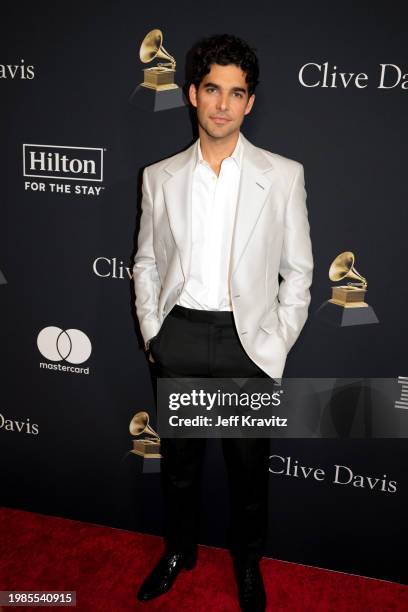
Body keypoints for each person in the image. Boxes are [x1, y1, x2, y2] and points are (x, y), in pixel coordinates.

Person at [133, 33, 313, 611]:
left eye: (236, 93)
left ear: (250, 103)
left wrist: (276, 344)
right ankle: (179, 552)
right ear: (192, 93)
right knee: (179, 471)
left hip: (247, 348)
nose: (222, 104)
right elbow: (145, 262)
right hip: (180, 337)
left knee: (248, 475)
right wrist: (152, 331)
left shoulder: (282, 176)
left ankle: (248, 565)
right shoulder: (159, 177)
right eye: (212, 89)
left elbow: (300, 273)